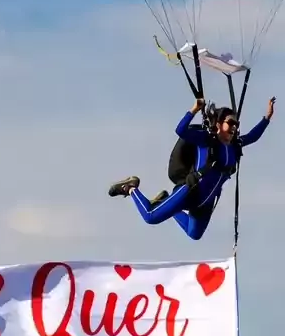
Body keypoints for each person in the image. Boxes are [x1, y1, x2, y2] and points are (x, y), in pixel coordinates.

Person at [108, 96, 276, 240]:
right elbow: (181, 130)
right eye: (230, 123)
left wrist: (267, 118)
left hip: (205, 202)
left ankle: (165, 200)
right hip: (190, 191)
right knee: (150, 217)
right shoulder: (206, 140)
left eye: (236, 124)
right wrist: (194, 109)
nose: (234, 127)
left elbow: (253, 136)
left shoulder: (235, 146)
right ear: (218, 124)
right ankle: (130, 187)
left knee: (194, 233)